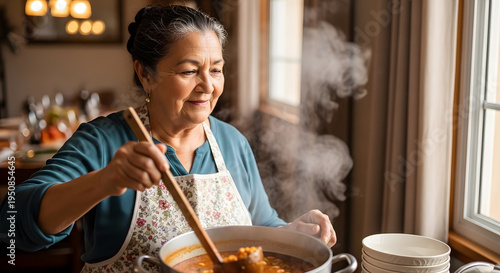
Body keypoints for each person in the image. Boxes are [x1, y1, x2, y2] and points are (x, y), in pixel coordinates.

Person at [0, 5, 336, 272]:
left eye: (216, 69)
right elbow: (12, 226)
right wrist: (105, 180)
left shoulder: (232, 142)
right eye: (189, 71)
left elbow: (260, 227)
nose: (208, 85)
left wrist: (292, 232)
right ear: (145, 74)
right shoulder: (102, 140)